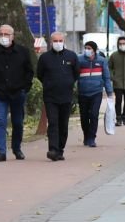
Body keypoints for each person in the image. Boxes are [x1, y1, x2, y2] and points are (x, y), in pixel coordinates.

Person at [0, 24, 34, 162]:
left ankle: (17, 149)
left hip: (18, 93)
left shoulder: (23, 52)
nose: (3, 37)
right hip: (0, 93)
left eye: (6, 34)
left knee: (17, 122)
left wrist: (25, 87)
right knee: (0, 121)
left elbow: (29, 72)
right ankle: (1, 152)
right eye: (1, 34)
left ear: (12, 36)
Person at [37, 32, 79, 161]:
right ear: (51, 42)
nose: (58, 43)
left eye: (60, 40)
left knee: (63, 124)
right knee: (53, 122)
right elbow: (40, 74)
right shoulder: (44, 58)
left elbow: (76, 73)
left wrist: (68, 83)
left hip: (66, 96)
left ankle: (60, 149)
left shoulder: (71, 56)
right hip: (50, 96)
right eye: (55, 41)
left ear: (64, 41)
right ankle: (53, 149)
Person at [77, 41, 113, 147]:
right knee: (84, 116)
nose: (87, 50)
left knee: (94, 115)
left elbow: (106, 77)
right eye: (86, 48)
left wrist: (109, 92)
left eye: (89, 48)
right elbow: (74, 75)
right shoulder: (80, 60)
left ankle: (92, 138)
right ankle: (86, 135)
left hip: (96, 92)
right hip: (82, 92)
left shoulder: (102, 61)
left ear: (94, 50)